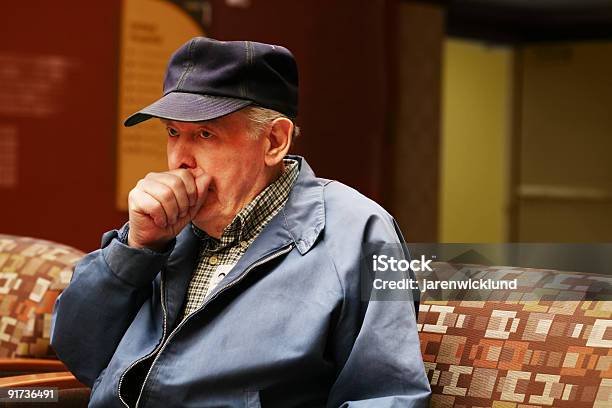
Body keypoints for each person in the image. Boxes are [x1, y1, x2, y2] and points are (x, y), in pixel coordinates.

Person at [50, 37, 431, 408]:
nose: (180, 160)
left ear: (274, 142)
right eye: (172, 132)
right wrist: (136, 249)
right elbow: (78, 353)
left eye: (204, 133)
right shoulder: (163, 225)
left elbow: (386, 397)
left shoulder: (360, 232)